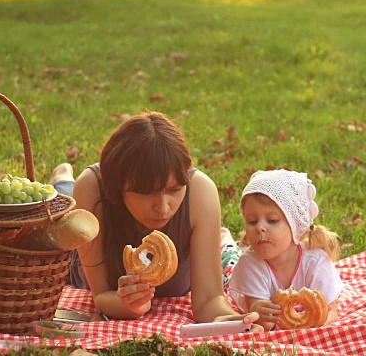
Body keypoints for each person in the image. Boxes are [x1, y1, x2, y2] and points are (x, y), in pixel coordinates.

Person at [49, 111, 259, 328]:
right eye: (146, 192)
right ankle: (62, 178)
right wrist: (126, 304)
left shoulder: (200, 192)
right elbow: (102, 296)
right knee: (63, 205)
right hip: (83, 272)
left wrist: (231, 320)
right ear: (118, 188)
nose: (163, 207)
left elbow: (209, 301)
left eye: (174, 190)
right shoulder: (93, 188)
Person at [228, 169, 344, 331]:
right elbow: (263, 324)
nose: (260, 227)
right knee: (226, 259)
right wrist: (258, 313)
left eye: (272, 220)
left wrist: (318, 321)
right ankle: (224, 238)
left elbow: (331, 312)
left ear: (295, 226)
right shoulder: (250, 264)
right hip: (228, 266)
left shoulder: (316, 261)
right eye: (252, 221)